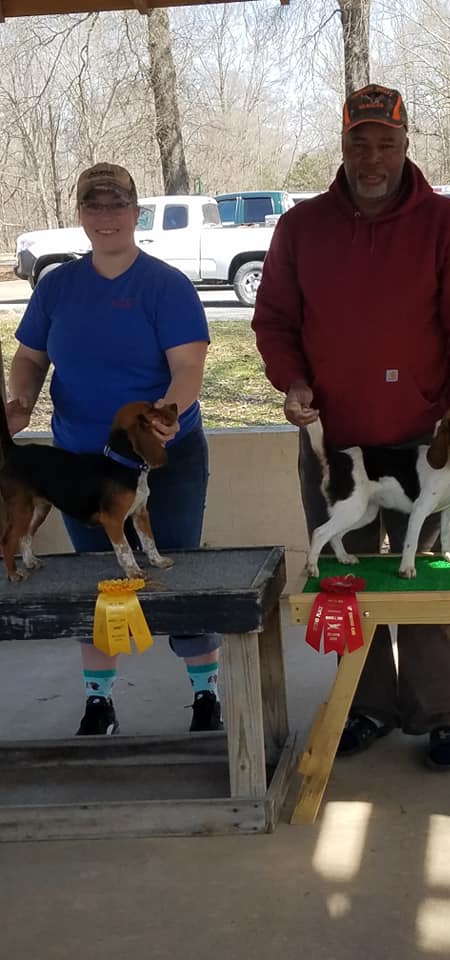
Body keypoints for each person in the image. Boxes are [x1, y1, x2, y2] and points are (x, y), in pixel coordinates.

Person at [252, 83, 450, 770]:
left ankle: (440, 713)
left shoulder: (445, 224)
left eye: (385, 143)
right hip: (340, 445)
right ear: (342, 146)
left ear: (406, 144)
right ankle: (365, 706)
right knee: (346, 579)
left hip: (430, 442)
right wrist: (292, 382)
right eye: (358, 143)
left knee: (428, 577)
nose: (372, 158)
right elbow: (273, 321)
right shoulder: (301, 228)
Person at [7, 162, 222, 736]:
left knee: (176, 575)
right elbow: (29, 357)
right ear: (80, 213)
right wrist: (21, 401)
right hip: (81, 463)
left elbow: (188, 366)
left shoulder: (165, 285)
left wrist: (166, 416)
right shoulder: (57, 285)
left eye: (117, 205)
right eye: (94, 206)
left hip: (162, 458)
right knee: (99, 581)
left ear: (136, 212)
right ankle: (99, 701)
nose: (106, 217)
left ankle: (206, 693)